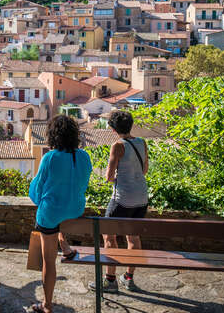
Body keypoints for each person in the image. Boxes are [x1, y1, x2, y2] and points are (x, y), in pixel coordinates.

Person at [28, 115, 92, 313]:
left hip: (52, 215)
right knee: (59, 217)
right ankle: (64, 245)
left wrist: (42, 202)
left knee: (48, 260)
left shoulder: (50, 157)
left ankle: (46, 305)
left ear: (53, 135)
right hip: (75, 210)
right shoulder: (84, 156)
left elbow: (37, 191)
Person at [90, 109, 148, 294]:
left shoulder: (117, 145)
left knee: (108, 236)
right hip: (141, 198)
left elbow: (108, 176)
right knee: (133, 237)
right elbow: (144, 170)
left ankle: (110, 280)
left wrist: (118, 178)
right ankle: (129, 278)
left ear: (114, 129)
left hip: (122, 199)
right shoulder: (142, 143)